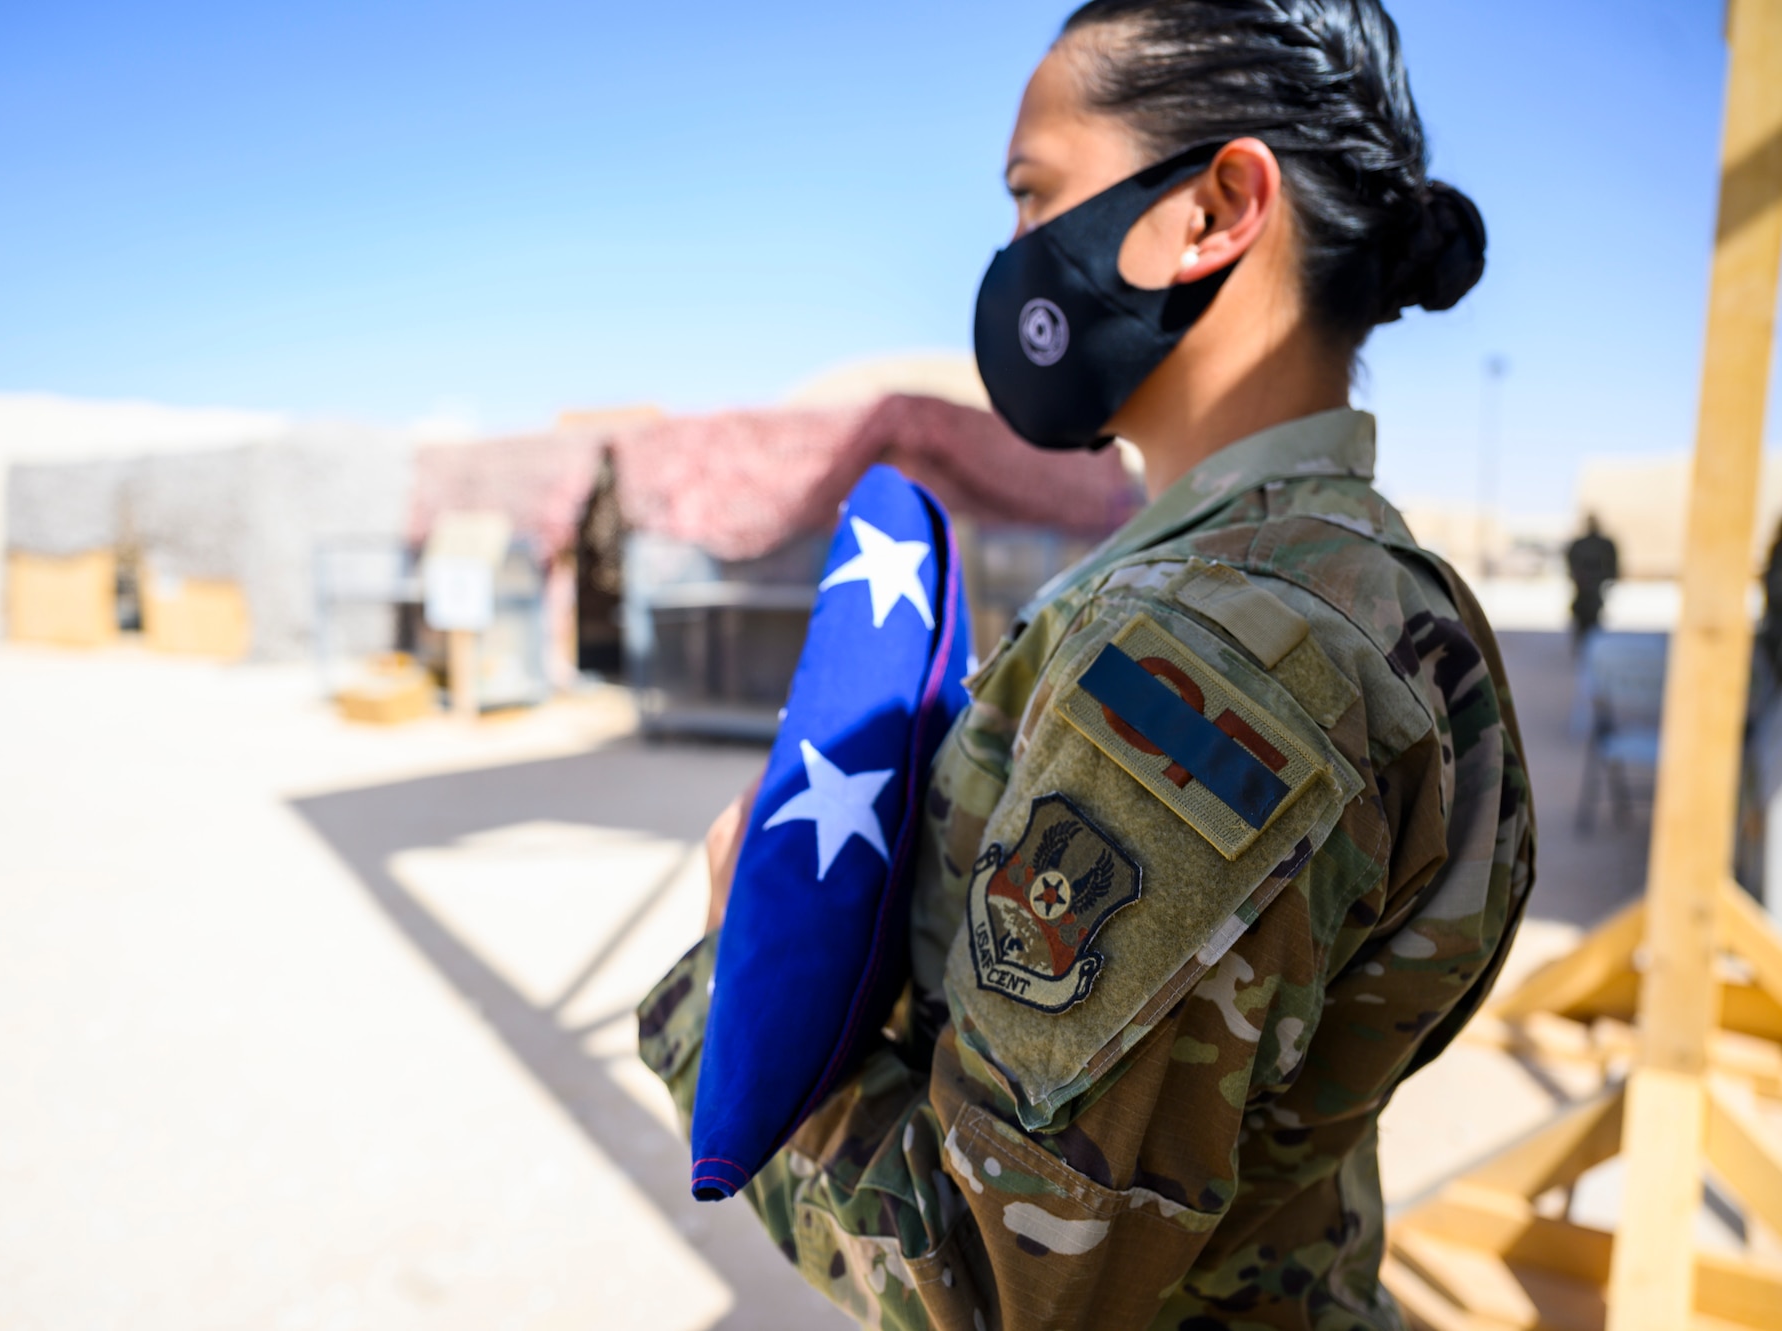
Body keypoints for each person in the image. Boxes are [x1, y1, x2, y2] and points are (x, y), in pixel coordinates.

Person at [638, 3, 1534, 1327]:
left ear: (1218, 205)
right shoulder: (1357, 584)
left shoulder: (1214, 650)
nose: (1015, 258)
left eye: (1034, 194)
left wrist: (735, 973)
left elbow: (1000, 1282)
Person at [1565, 516, 1619, 651]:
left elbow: (1612, 563)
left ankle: (1590, 648)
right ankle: (1584, 647)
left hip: (1595, 589)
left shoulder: (1603, 544)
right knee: (1582, 620)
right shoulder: (1580, 544)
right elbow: (1571, 563)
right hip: (1583, 590)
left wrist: (1607, 578)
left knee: (1593, 621)